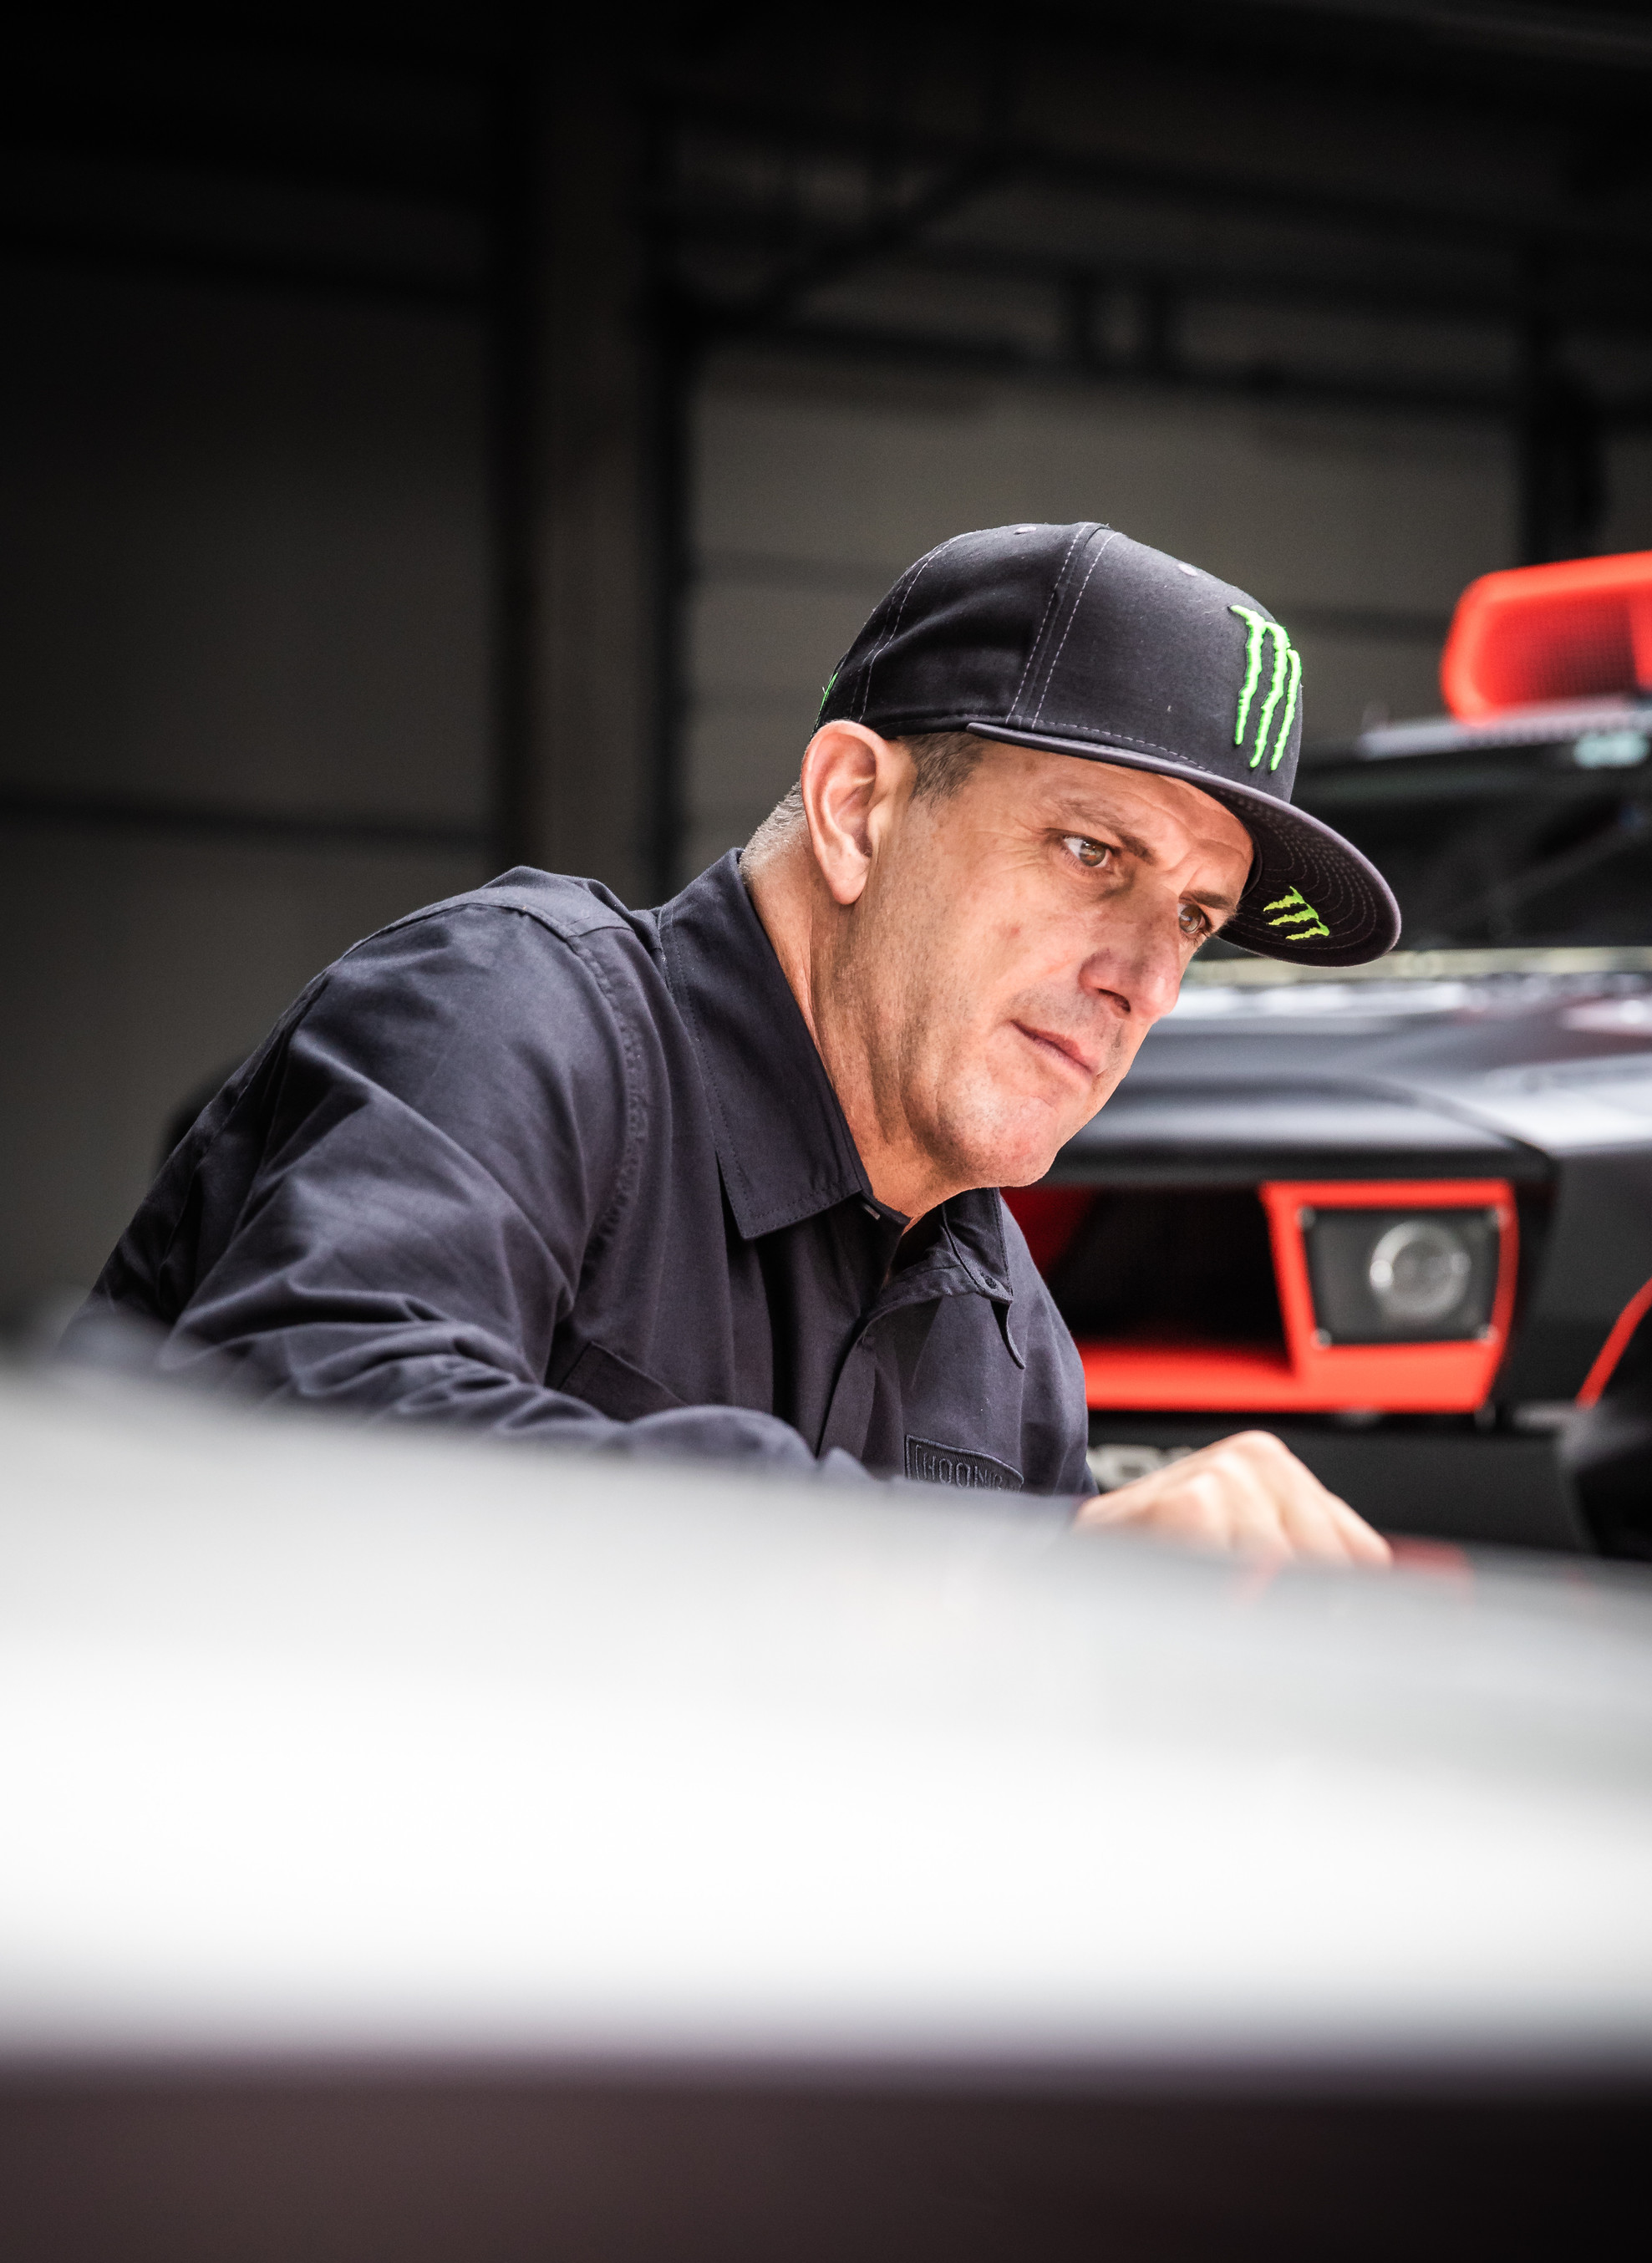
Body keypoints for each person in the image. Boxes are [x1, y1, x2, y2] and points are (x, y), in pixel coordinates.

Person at [85, 521, 1400, 1564]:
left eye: (1195, 916)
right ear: (855, 808)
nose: (1145, 980)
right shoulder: (512, 1013)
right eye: (1090, 850)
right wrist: (978, 1573)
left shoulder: (1011, 1345)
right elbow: (300, 1432)